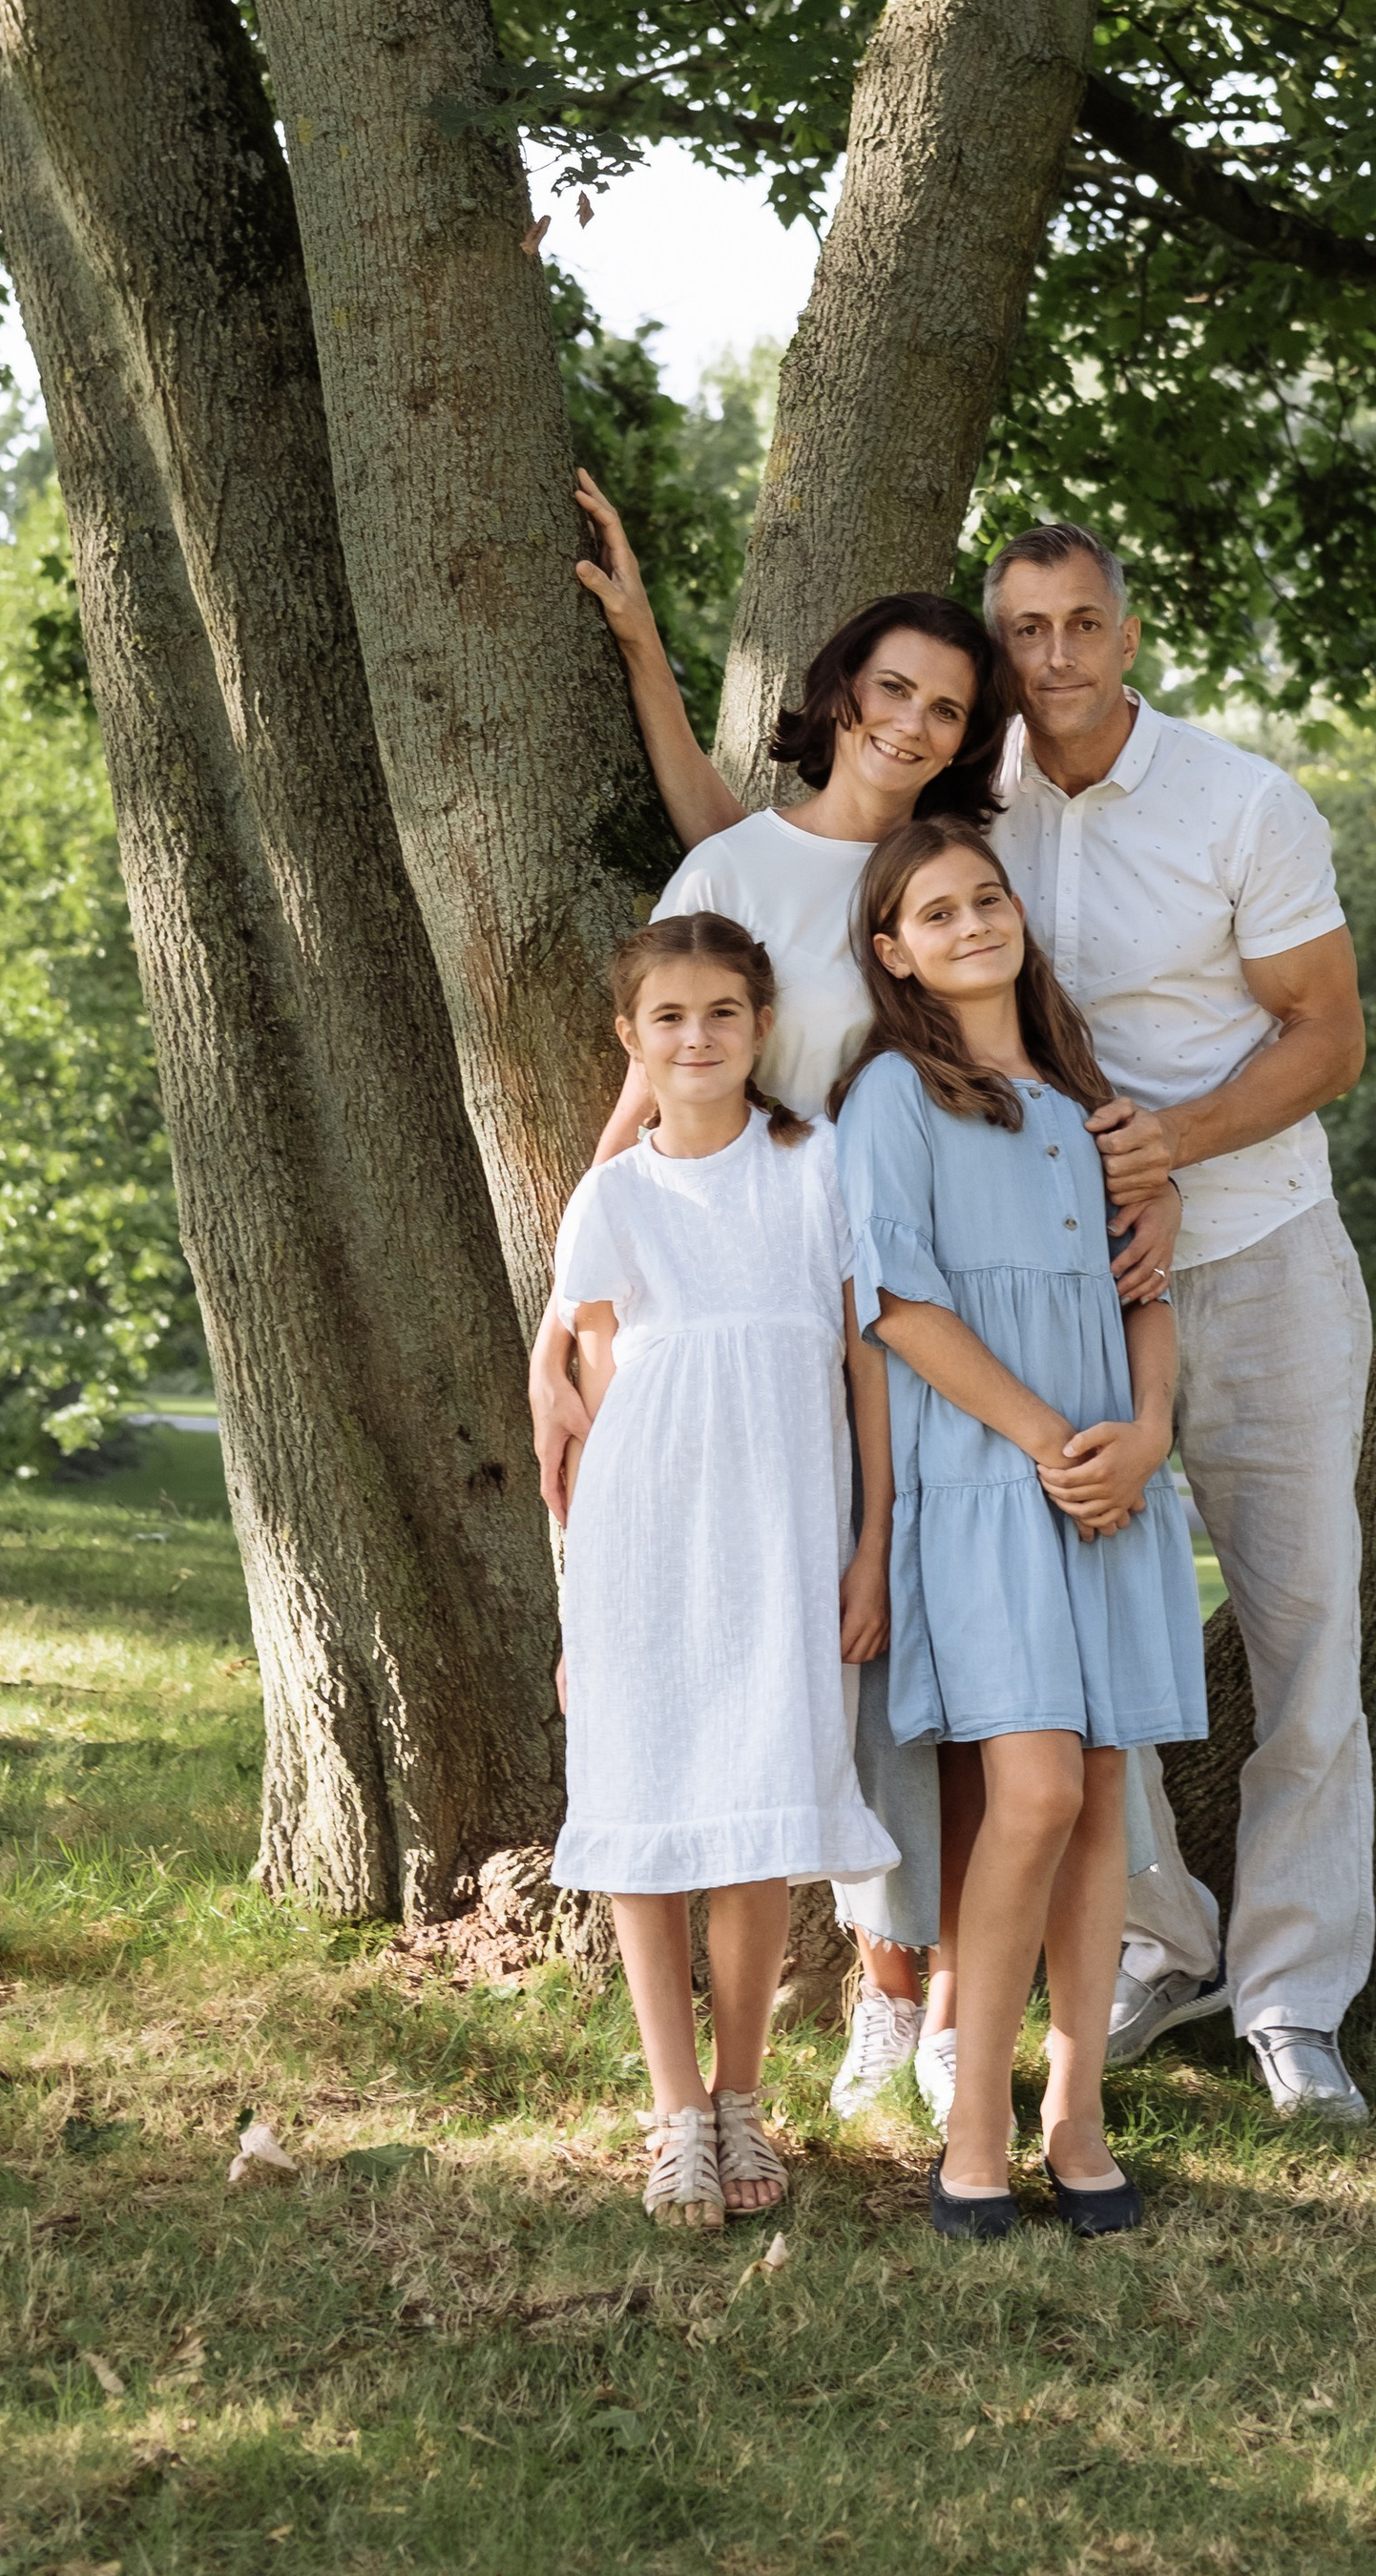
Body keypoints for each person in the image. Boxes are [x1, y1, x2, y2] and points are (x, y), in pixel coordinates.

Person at [534, 473, 1175, 2127]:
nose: (912, 720)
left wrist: (1140, 1176)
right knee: (830, 1662)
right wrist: (567, 1309)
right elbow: (667, 1065)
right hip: (761, 1295)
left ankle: (964, 2003)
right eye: (890, 688)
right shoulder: (740, 863)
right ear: (836, 697)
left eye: (947, 708)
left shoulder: (933, 876)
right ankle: (885, 1992)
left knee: (951, 1663)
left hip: (902, 1293)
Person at [984, 522, 1375, 2127]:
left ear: (1128, 632)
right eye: (1026, 629)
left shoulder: (1241, 799)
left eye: (1084, 623)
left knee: (1306, 1636)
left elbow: (1330, 1034)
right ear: (996, 642)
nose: (1058, 655)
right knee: (1105, 1649)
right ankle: (1161, 1942)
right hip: (1070, 1285)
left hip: (1261, 1249)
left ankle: (1297, 1996)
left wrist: (1174, 1142)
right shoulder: (965, 809)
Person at [834, 820, 1204, 2237]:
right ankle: (973, 2119)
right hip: (992, 1481)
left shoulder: (1089, 1101)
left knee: (1105, 1792)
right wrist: (1051, 1438)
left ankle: (1079, 2112)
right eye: (938, 909)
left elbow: (1147, 1290)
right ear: (895, 951)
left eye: (989, 897)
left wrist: (1147, 1430)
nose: (974, 921)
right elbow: (901, 1307)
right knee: (1036, 1789)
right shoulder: (894, 1100)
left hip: (1115, 1475)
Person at [549, 911, 897, 2229]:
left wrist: (872, 1542)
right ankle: (676, 2113)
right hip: (644, 1537)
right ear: (631, 1038)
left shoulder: (816, 1167)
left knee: (753, 1816)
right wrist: (582, 1597)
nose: (698, 1037)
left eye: (724, 1013)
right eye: (670, 1017)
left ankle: (745, 2093)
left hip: (786, 1535)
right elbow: (595, 1388)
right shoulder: (615, 1194)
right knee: (647, 1819)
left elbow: (865, 1364)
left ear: (761, 1027)